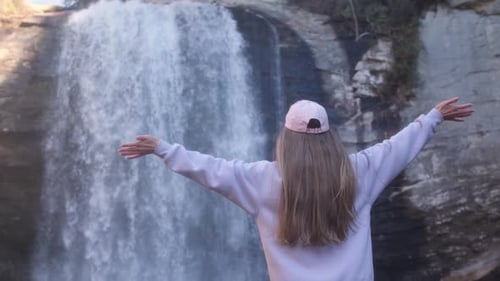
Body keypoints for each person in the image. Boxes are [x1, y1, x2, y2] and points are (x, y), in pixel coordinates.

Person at [118, 97, 473, 281]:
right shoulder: (357, 172)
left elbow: (212, 170)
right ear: (329, 136)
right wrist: (432, 118)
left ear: (286, 139)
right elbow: (397, 148)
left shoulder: (262, 180)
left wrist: (163, 149)